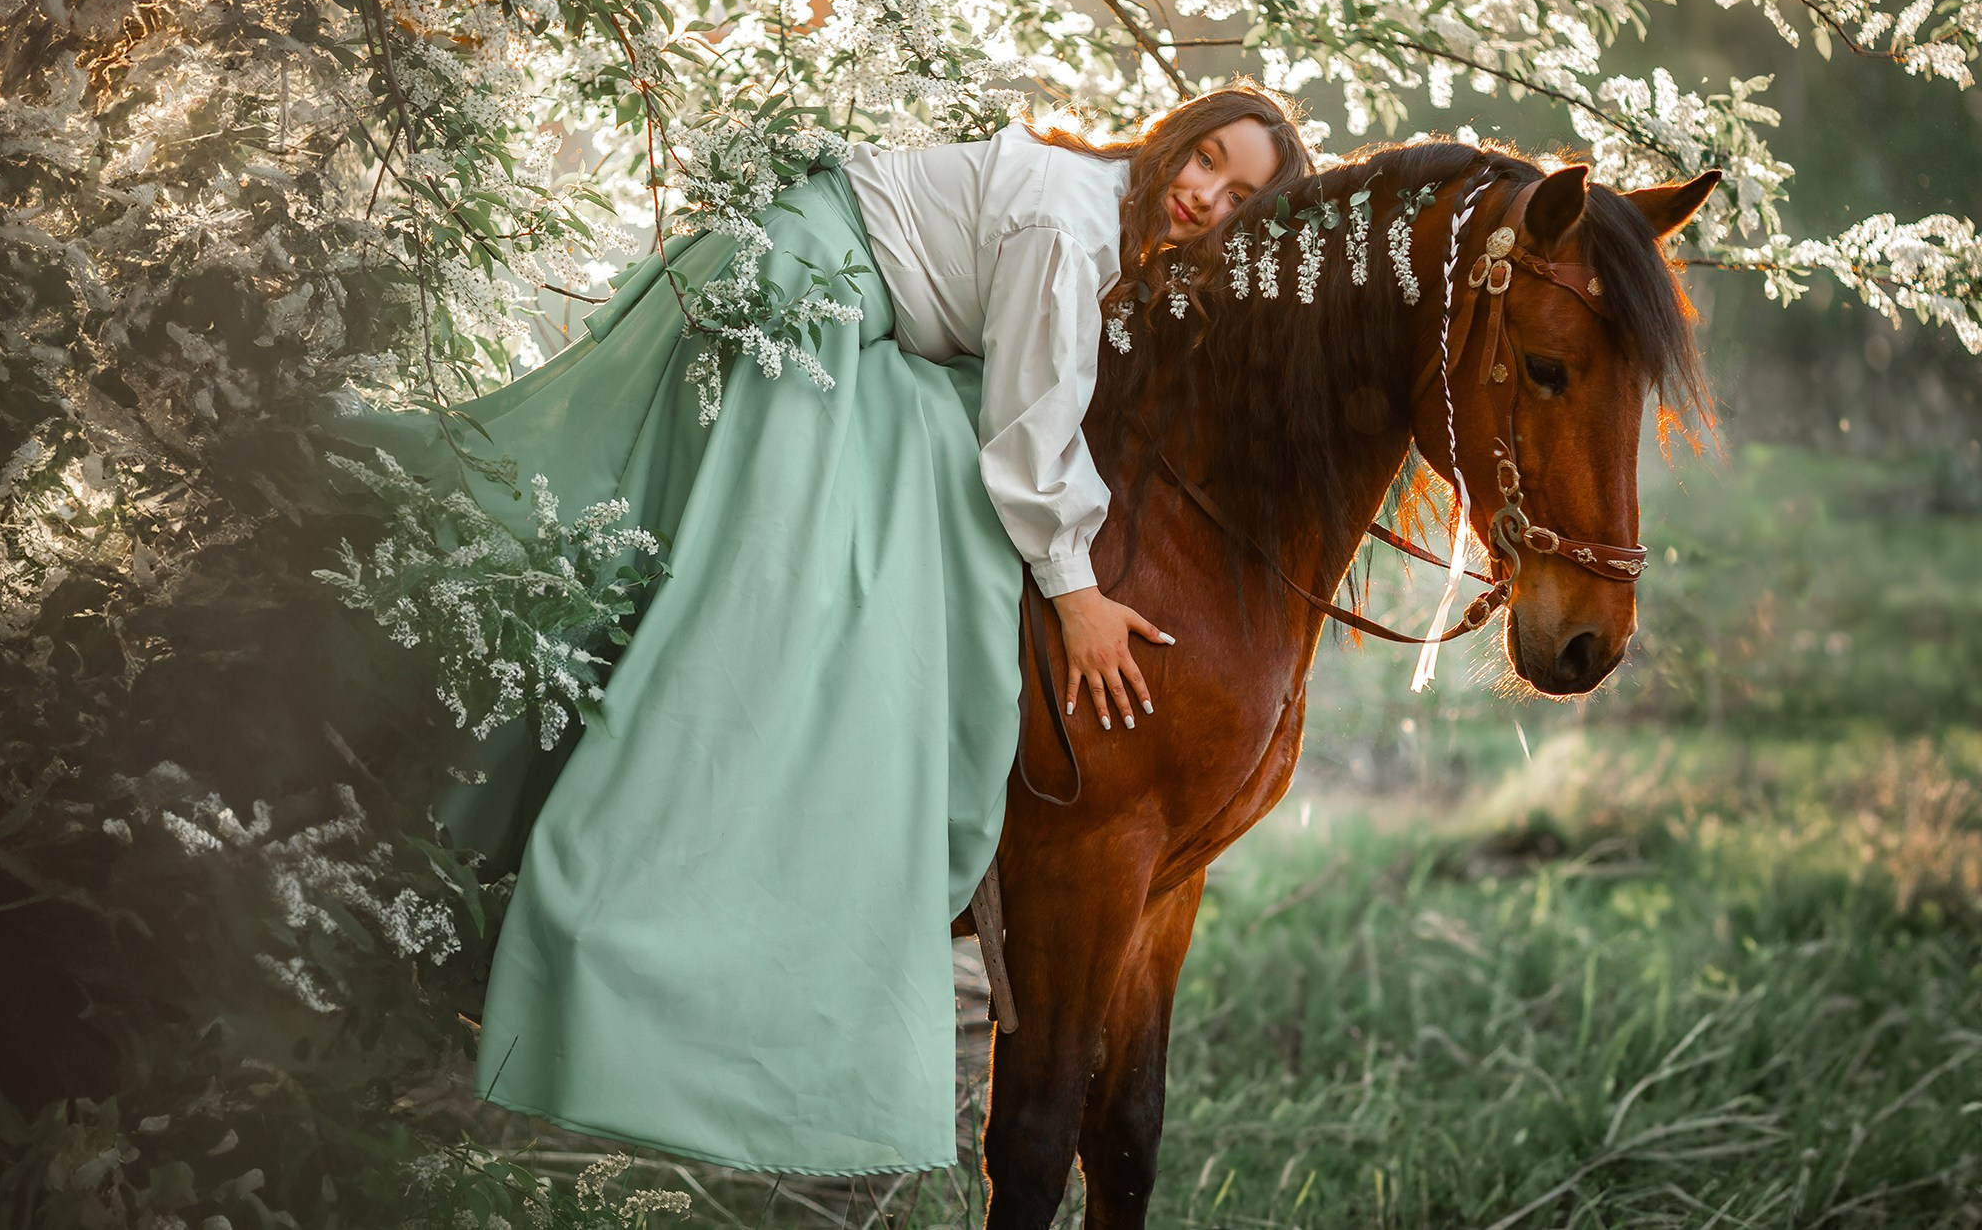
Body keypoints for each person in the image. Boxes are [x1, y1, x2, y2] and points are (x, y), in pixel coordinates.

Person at [313, 83, 1311, 1175]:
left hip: (839, 303)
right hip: (802, 296)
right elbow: (1028, 429)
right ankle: (626, 927)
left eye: (1238, 193)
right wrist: (1073, 594)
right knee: (777, 599)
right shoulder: (1068, 223)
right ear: (1173, 137)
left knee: (827, 516)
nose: (1205, 192)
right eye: (1205, 156)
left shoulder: (1109, 224)